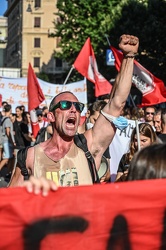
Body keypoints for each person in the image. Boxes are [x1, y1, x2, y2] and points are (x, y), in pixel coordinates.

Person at [8, 34, 139, 192]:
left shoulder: (88, 146)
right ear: (50, 116)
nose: (73, 109)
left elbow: (117, 103)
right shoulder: (29, 156)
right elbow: (10, 200)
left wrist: (129, 57)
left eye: (78, 106)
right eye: (65, 105)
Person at [0, 104, 16, 175]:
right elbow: (8, 132)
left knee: (10, 157)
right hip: (7, 141)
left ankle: (8, 172)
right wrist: (12, 142)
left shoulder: (3, 118)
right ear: (10, 110)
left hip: (5, 140)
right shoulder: (7, 120)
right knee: (6, 158)